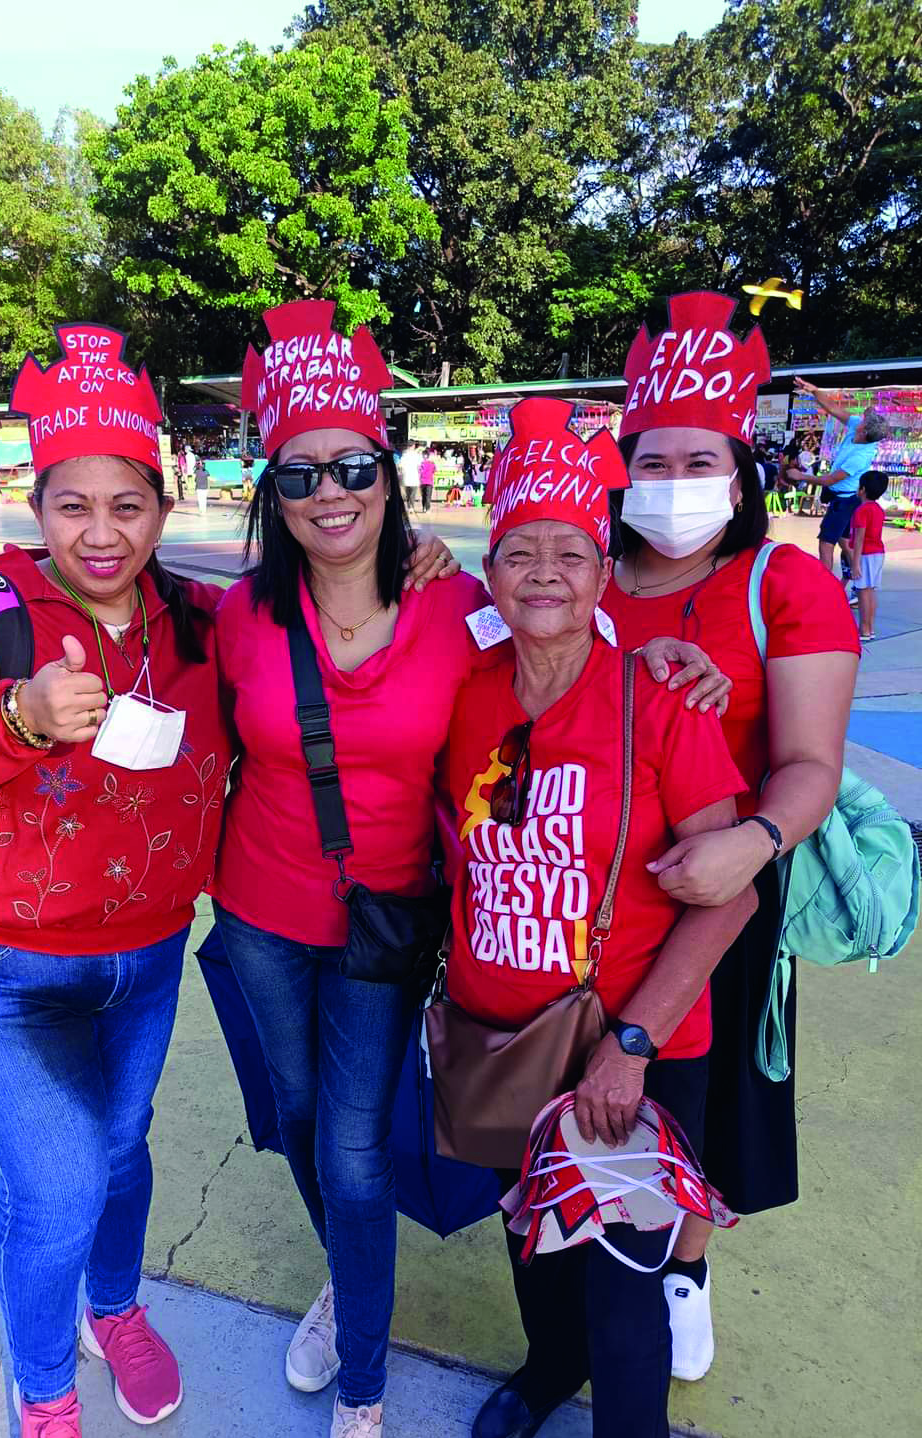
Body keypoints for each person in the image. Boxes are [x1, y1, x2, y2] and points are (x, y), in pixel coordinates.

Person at [0, 326, 233, 1438]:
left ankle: (113, 1309)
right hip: (2, 970)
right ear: (38, 506)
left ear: (163, 511)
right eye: (74, 504)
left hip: (152, 952)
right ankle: (45, 1390)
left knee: (124, 1150)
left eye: (128, 505)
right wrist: (16, 714)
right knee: (65, 1179)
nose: (102, 532)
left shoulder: (202, 619)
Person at [445, 398, 757, 1438]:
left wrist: (631, 1044)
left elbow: (731, 894)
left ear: (599, 572)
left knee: (625, 1275)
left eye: (569, 553)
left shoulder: (659, 700)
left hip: (632, 1042)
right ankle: (545, 1371)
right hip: (502, 1040)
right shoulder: (467, 691)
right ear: (489, 573)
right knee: (533, 1235)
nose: (542, 571)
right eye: (518, 551)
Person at [212, 300, 480, 1438]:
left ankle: (364, 1387)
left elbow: (567, 661)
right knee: (307, 1119)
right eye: (301, 473)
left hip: (383, 928)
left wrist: (667, 655)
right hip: (263, 915)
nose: (331, 491)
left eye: (353, 466)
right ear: (273, 496)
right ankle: (347, 1275)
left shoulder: (458, 606)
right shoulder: (238, 618)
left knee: (361, 1155)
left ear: (389, 475)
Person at [602, 291, 859, 1382]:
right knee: (598, 1095)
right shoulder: (581, 576)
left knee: (708, 1110)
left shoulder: (780, 583)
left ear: (740, 470)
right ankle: (595, 1267)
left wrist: (749, 841)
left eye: (697, 464)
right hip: (596, 895)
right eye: (650, 465)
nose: (670, 489)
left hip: (726, 893)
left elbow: (810, 764)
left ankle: (685, 1268)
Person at [789, 379, 889, 574]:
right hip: (841, 496)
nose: (859, 419)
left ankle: (826, 586)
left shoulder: (861, 456)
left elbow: (830, 479)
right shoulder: (857, 427)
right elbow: (833, 409)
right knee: (843, 539)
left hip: (845, 500)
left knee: (826, 542)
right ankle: (858, 575)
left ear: (865, 431)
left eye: (864, 421)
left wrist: (801, 475)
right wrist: (814, 391)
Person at [849, 469, 889, 641]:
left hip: (865, 554)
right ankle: (870, 627)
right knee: (870, 591)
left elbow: (859, 538)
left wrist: (855, 563)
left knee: (862, 591)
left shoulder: (862, 510)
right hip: (878, 553)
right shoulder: (878, 509)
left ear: (862, 489)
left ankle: (864, 629)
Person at [398, 441, 421, 509]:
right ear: (413, 446)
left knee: (408, 493)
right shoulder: (416, 455)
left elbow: (400, 466)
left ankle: (409, 506)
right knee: (413, 493)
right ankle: (411, 507)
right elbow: (419, 466)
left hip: (406, 477)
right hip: (414, 477)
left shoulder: (404, 455)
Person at [418, 446, 437, 513]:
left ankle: (424, 508)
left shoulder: (421, 463)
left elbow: (419, 471)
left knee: (423, 495)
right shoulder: (432, 463)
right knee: (428, 496)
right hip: (429, 481)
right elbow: (435, 471)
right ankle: (427, 509)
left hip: (423, 481)